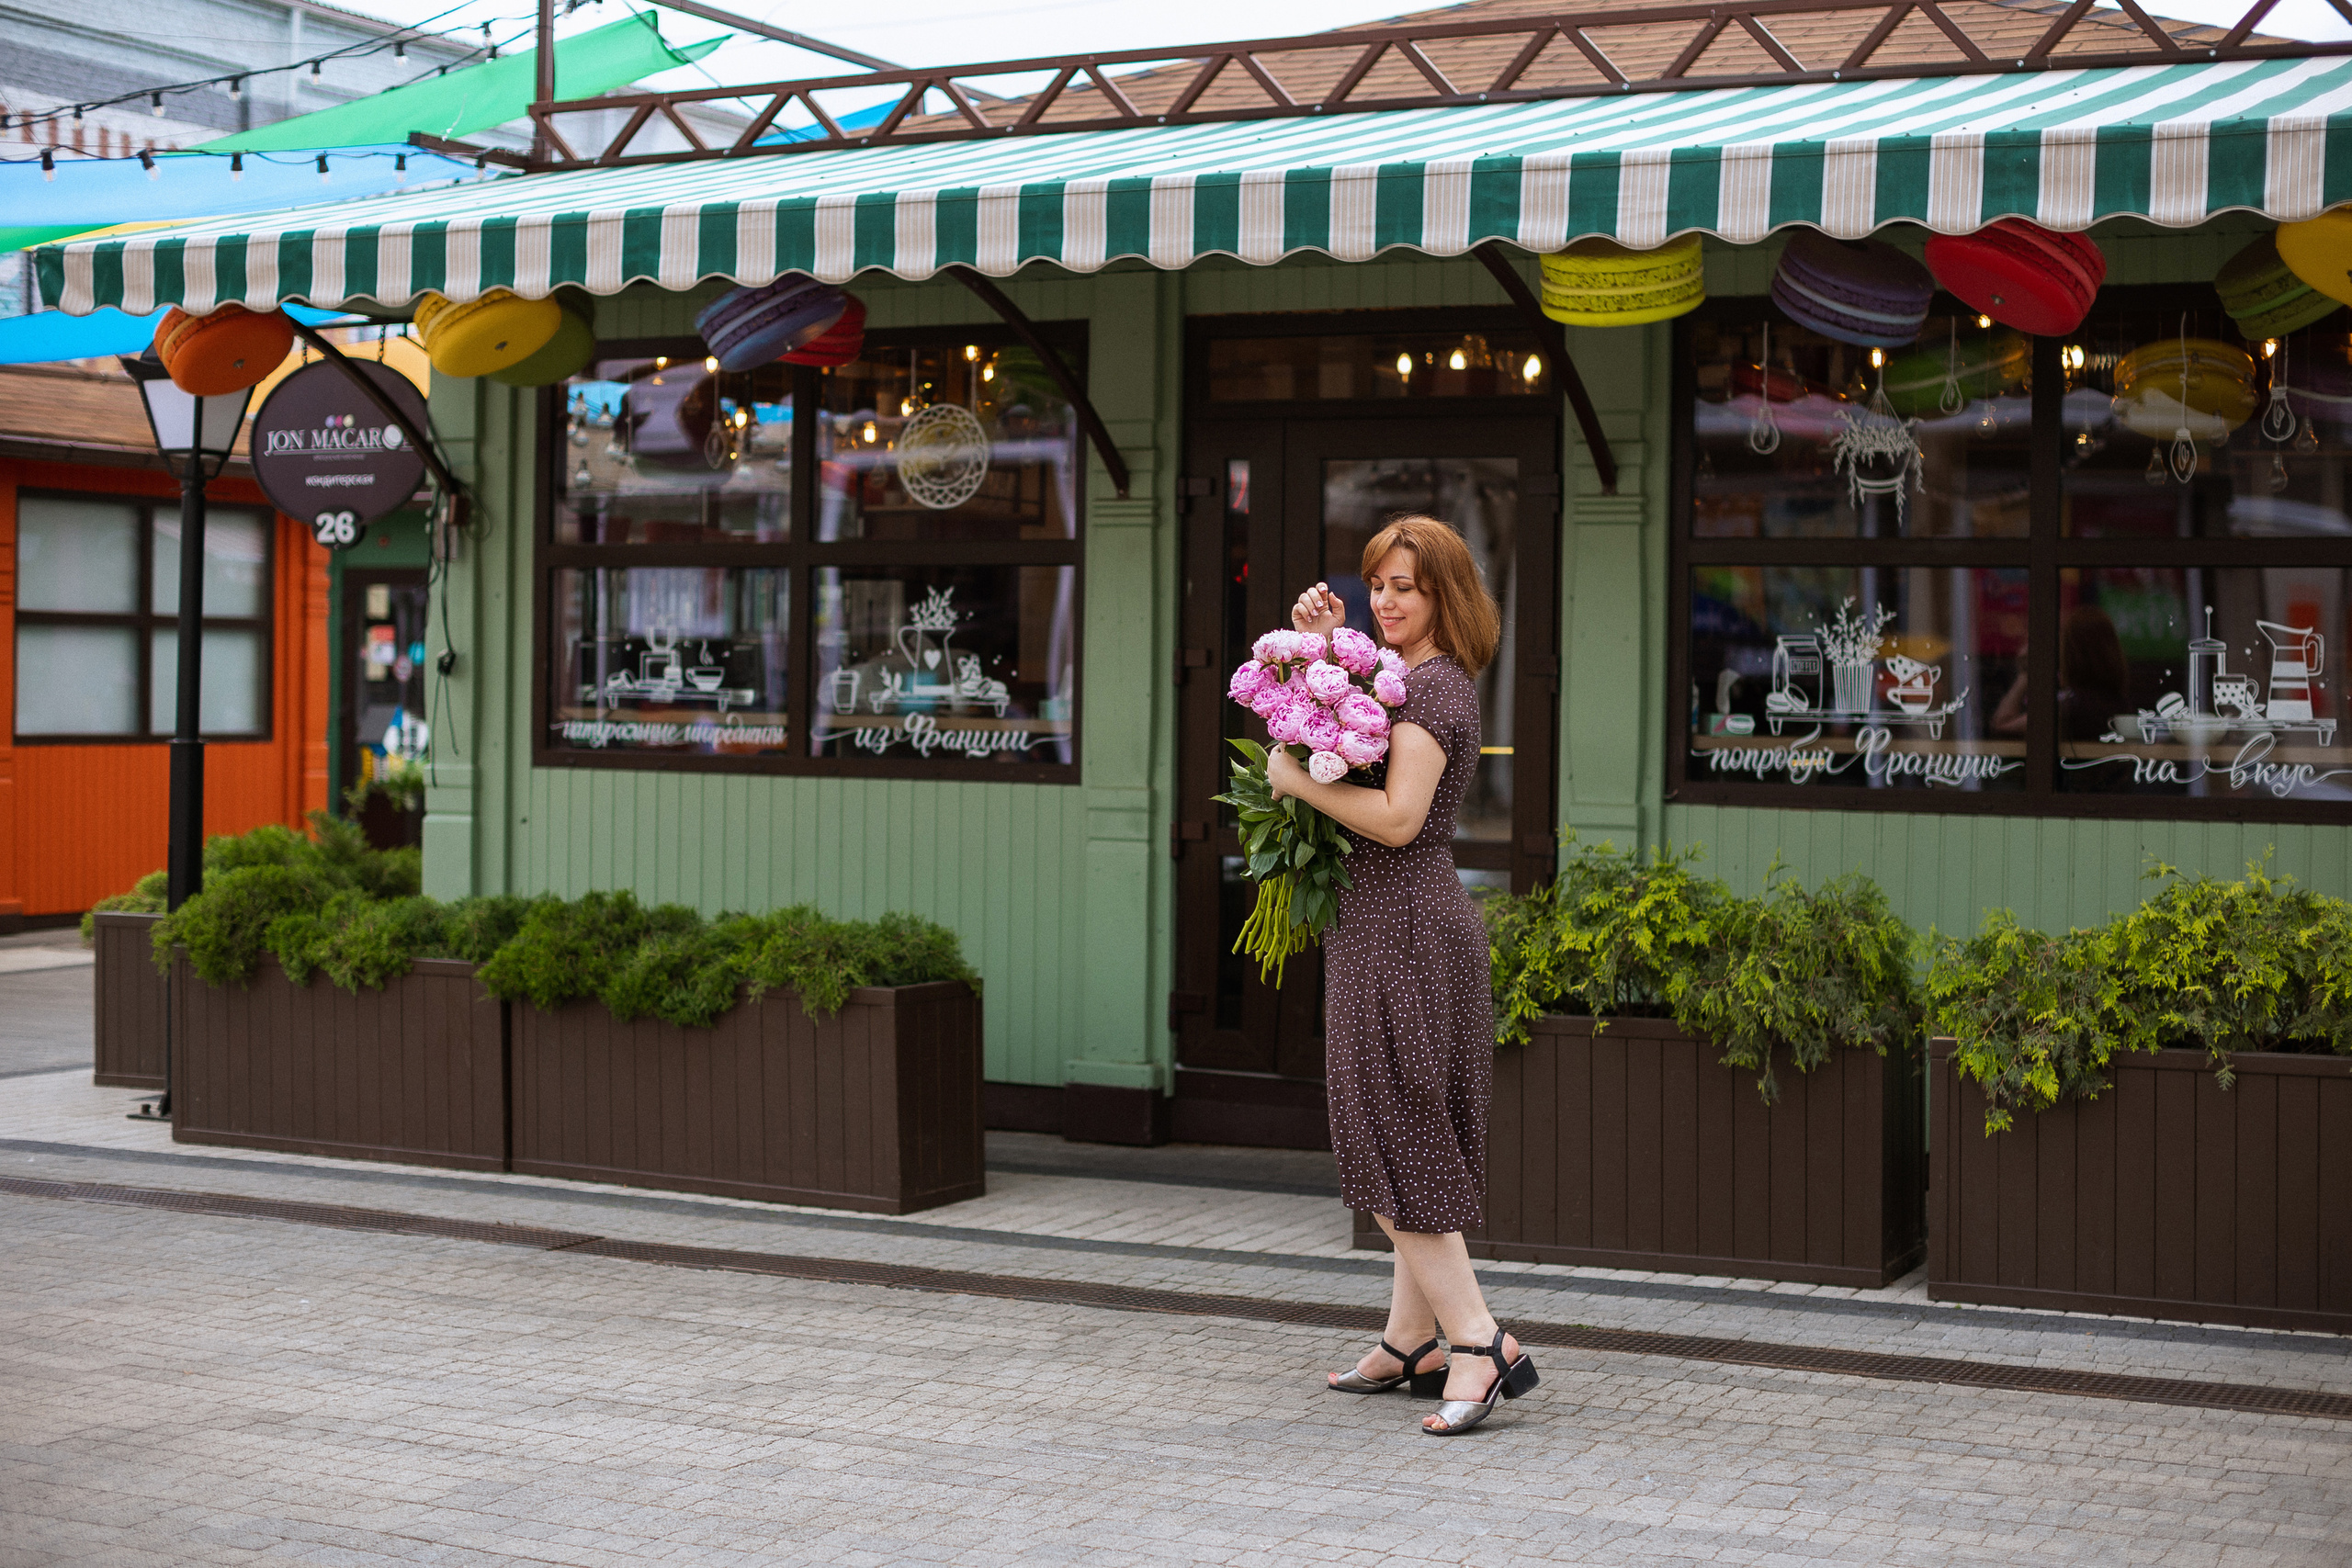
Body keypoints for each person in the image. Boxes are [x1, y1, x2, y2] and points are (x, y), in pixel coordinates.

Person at [1264, 516, 1540, 1437]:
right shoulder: (1408, 680)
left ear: (1443, 597)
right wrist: (1316, 647)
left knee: (1391, 1129)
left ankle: (1477, 1341)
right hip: (1389, 929)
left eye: (1404, 589)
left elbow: (1394, 817)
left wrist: (1294, 782)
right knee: (1401, 1125)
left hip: (1407, 933)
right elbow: (1343, 721)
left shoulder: (1434, 693)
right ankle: (1410, 1338)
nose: (1386, 600)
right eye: (1378, 584)